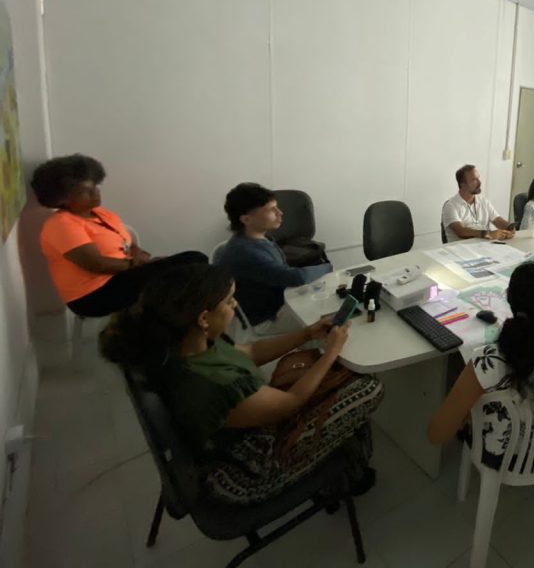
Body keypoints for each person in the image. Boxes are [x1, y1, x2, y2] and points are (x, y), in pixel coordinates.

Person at [100, 264, 383, 504]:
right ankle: (340, 469)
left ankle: (346, 459)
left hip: (241, 425)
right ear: (203, 318)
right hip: (247, 471)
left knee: (316, 369)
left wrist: (307, 334)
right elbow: (290, 403)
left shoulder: (188, 343)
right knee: (368, 388)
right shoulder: (212, 384)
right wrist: (332, 351)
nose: (235, 305)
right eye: (229, 301)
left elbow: (251, 351)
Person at [427, 261, 534, 467]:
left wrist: (469, 414)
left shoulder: (487, 361)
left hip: (498, 456)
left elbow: (436, 434)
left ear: (508, 298)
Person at [33, 154, 207, 317]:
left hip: (121, 277)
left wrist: (138, 253)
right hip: (94, 294)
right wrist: (137, 264)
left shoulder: (102, 214)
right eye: (85, 191)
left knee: (191, 266)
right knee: (192, 263)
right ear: (62, 199)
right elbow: (96, 264)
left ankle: (183, 322)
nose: (95, 193)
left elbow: (126, 243)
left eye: (95, 186)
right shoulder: (61, 224)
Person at [214, 183, 333, 328]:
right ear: (246, 219)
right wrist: (327, 267)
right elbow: (295, 277)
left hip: (277, 301)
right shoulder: (247, 252)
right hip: (265, 320)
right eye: (271, 210)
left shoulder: (259, 238)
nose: (280, 213)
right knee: (330, 317)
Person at [442, 164, 515, 242]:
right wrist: (487, 234)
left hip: (484, 246)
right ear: (463, 185)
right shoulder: (451, 206)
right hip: (461, 247)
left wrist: (509, 227)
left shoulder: (483, 201)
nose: (479, 182)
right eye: (474, 180)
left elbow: (497, 220)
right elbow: (461, 231)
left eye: (478, 178)